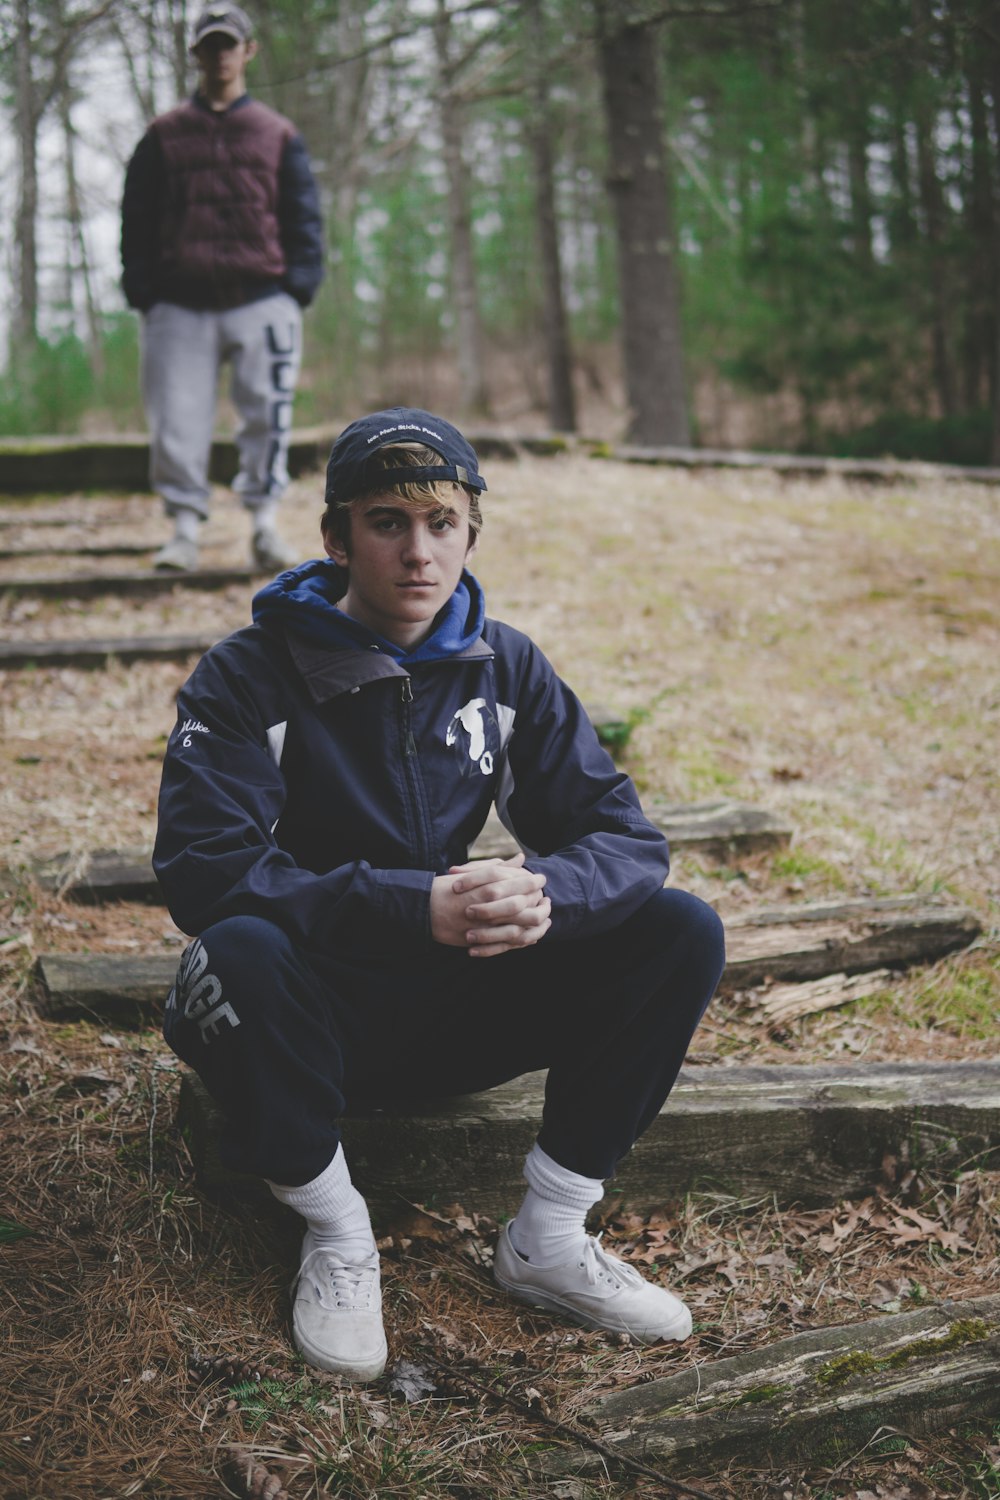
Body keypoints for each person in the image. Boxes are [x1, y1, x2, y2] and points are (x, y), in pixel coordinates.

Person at [153, 406, 726, 1382]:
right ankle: (337, 1234)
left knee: (677, 929)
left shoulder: (501, 664)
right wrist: (407, 902)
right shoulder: (247, 676)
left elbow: (624, 835)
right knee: (231, 954)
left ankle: (548, 1236)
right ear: (335, 537)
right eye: (386, 522)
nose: (418, 553)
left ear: (470, 533)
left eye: (442, 524)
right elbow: (206, 866)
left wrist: (546, 889)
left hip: (459, 1002)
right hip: (313, 1012)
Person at [120, 4, 324, 574]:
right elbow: (136, 217)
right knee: (176, 421)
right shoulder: (163, 135)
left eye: (230, 44)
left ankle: (264, 526)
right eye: (210, 45)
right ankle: (184, 530)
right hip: (178, 305)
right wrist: (144, 290)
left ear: (248, 51)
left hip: (262, 300)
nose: (221, 55)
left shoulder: (277, 134)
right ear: (197, 55)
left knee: (268, 416)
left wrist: (296, 289)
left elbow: (303, 217)